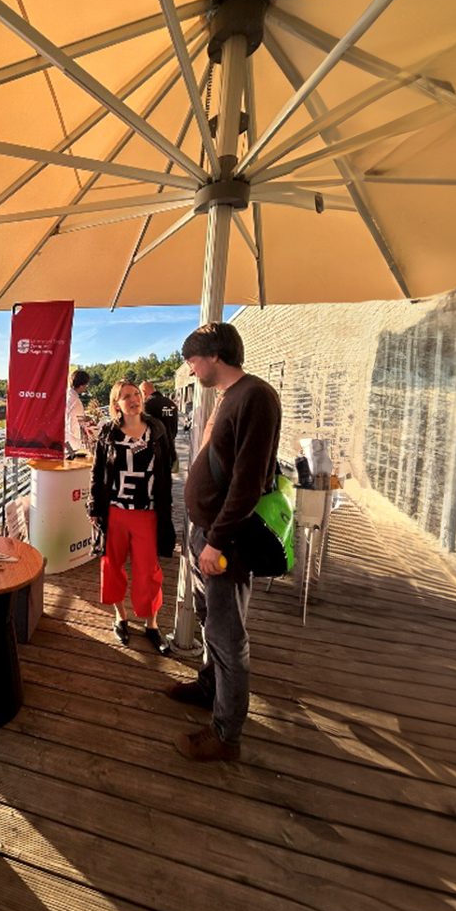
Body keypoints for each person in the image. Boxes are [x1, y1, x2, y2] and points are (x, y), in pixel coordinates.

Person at [167, 322, 280, 763]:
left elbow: (248, 483)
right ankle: (209, 687)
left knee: (227, 634)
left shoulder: (255, 397)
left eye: (193, 360)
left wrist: (216, 540)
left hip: (223, 540)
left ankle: (225, 734)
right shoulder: (232, 397)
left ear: (214, 355)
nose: (191, 370)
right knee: (209, 617)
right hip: (207, 534)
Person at [90, 380, 177, 654]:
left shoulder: (158, 430)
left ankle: (151, 624)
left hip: (148, 512)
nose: (133, 399)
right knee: (112, 566)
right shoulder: (108, 432)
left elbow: (168, 467)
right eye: (126, 396)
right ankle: (120, 616)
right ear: (116, 404)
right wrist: (94, 507)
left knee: (148, 572)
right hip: (115, 511)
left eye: (136, 394)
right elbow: (97, 472)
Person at [140, 380, 179, 449]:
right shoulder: (170, 403)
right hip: (170, 446)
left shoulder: (147, 405)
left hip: (156, 449)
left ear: (144, 392)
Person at [63, 369, 92, 456]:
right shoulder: (76, 402)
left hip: (64, 441)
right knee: (72, 465)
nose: (86, 387)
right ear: (82, 385)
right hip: (72, 443)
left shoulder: (65, 396)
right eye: (86, 385)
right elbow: (79, 423)